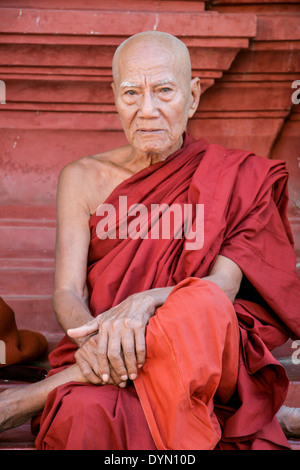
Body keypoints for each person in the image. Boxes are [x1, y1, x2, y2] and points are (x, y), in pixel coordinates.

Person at [0, 31, 300, 450]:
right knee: (84, 414)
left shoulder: (235, 178)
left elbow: (221, 289)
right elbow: (67, 291)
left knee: (201, 303)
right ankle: (263, 414)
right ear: (114, 97)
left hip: (198, 352)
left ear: (193, 96)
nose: (147, 111)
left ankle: (26, 399)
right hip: (104, 349)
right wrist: (98, 343)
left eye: (164, 91)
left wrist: (145, 303)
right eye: (130, 93)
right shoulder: (82, 178)